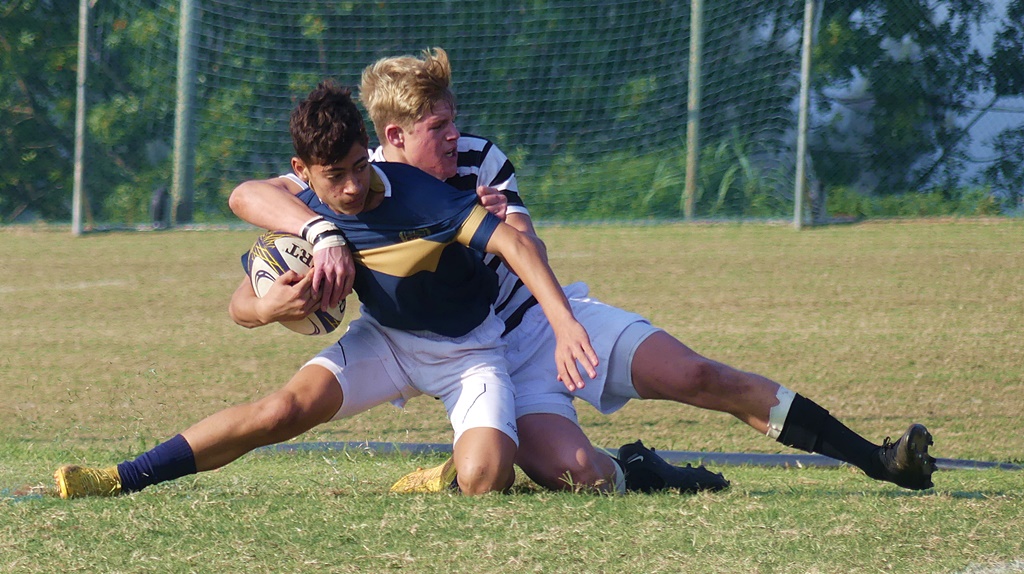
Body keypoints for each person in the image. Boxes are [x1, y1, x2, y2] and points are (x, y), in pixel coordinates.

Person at [232, 48, 938, 494]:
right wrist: (318, 233)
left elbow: (523, 237)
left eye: (455, 122)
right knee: (582, 477)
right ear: (395, 137)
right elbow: (254, 195)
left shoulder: (481, 160)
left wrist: (499, 230)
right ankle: (638, 469)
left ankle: (876, 459)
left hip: (543, 324)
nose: (456, 135)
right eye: (440, 127)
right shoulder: (362, 179)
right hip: (477, 359)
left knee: (697, 375)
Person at [53, 81, 600, 499]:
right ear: (302, 171)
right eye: (335, 174)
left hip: (470, 351)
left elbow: (519, 245)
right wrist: (271, 305)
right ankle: (119, 477)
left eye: (360, 166)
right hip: (386, 341)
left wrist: (565, 323)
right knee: (280, 412)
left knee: (485, 480)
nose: (353, 186)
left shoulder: (421, 196)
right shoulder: (305, 215)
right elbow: (240, 306)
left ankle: (448, 473)